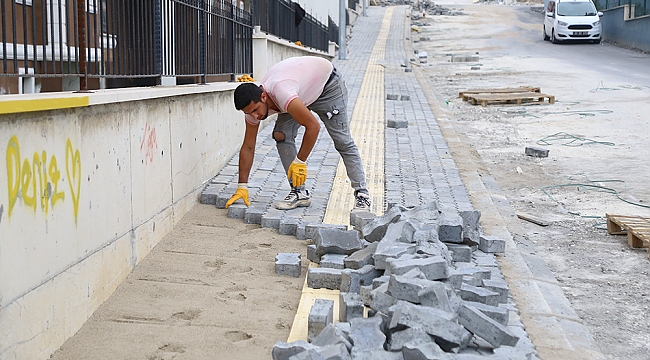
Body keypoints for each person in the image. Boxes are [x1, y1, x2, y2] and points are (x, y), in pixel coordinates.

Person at [225, 56, 371, 211]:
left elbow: (313, 127)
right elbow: (248, 146)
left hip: (327, 86)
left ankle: (362, 194)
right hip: (300, 90)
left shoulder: (282, 92)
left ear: (263, 96)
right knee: (281, 134)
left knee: (343, 141)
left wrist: (300, 162)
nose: (255, 117)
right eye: (249, 113)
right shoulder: (253, 107)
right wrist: (242, 186)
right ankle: (299, 192)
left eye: (255, 111)